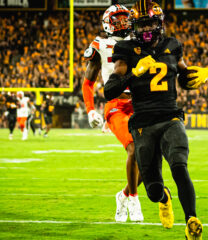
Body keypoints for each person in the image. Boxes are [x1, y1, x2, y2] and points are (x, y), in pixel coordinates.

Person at [104, 0, 208, 239]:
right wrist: (134, 72)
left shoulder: (172, 45)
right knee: (152, 191)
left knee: (179, 165)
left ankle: (191, 220)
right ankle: (165, 197)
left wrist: (196, 75)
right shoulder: (125, 50)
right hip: (142, 123)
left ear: (159, 23)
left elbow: (182, 76)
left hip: (170, 115)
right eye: (142, 25)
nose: (146, 29)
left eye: (151, 23)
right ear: (134, 27)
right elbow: (109, 91)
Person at [82, 3, 144, 222]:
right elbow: (88, 82)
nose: (123, 23)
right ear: (108, 23)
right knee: (134, 149)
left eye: (125, 18)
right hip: (116, 105)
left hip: (140, 104)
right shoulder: (100, 44)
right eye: (118, 19)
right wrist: (90, 111)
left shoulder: (138, 42)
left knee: (148, 161)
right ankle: (134, 200)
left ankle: (124, 194)